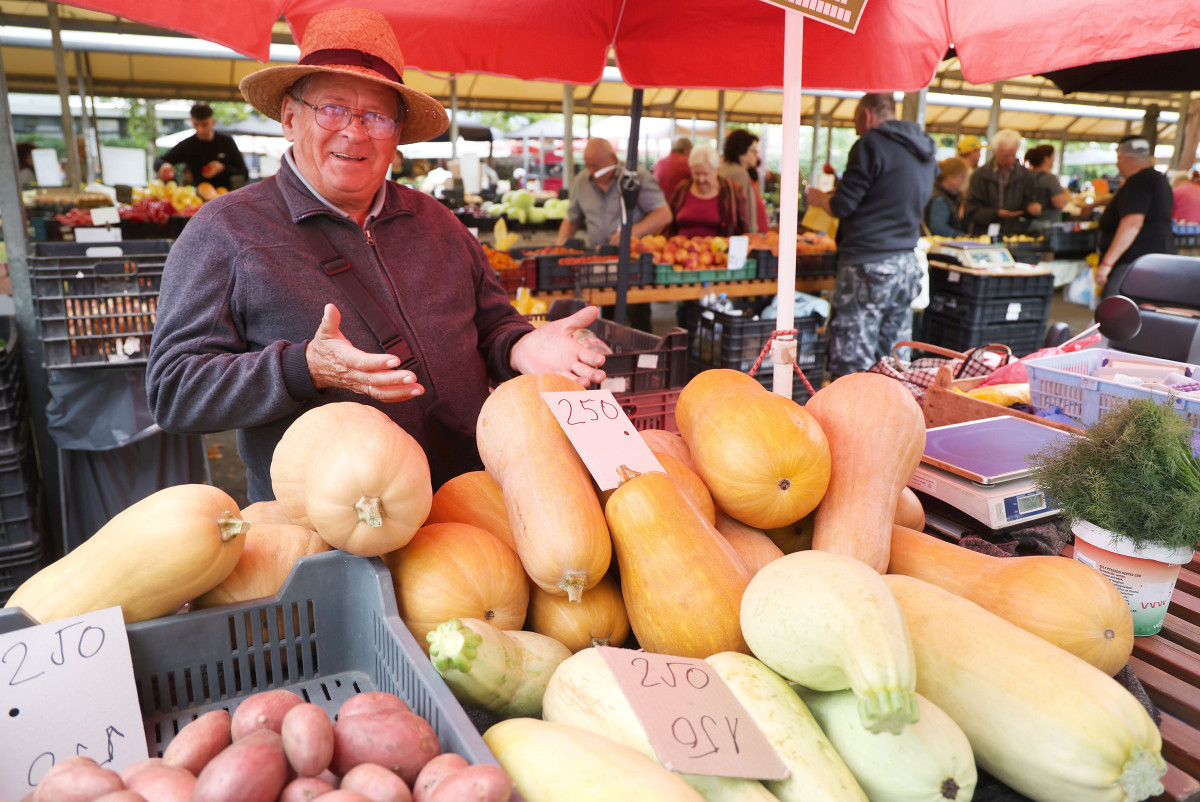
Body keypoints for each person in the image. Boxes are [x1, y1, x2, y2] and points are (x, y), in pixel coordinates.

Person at [145, 7, 606, 501]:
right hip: (333, 529)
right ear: (289, 116)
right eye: (332, 108)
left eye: (377, 117)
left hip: (470, 501)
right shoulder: (225, 231)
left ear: (397, 136)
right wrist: (306, 368)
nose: (355, 131)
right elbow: (175, 390)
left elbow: (492, 324)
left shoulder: (437, 221)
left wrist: (520, 346)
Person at [805, 92, 937, 380]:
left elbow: (843, 205)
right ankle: (897, 414)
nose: (854, 129)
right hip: (906, 261)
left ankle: (852, 421)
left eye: (855, 121)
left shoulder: (870, 145)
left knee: (853, 357)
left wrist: (819, 199)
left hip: (868, 263)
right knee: (896, 356)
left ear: (866, 115)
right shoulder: (924, 149)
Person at [556, 138, 672, 248]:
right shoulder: (581, 182)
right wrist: (559, 248)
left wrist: (629, 233)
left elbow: (663, 215)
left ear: (613, 159)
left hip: (633, 255)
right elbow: (571, 220)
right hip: (597, 256)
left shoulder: (636, 177)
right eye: (587, 166)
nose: (591, 172)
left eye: (596, 167)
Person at [1096, 136, 1173, 298]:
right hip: (1153, 261)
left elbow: (1131, 224)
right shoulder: (1157, 178)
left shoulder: (1138, 181)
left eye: (1118, 159)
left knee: (1117, 312)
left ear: (1123, 157)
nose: (1117, 164)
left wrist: (1107, 263)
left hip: (1133, 264)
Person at [962, 128, 1041, 236]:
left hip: (1015, 234)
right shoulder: (980, 175)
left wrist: (1031, 208)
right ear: (995, 152)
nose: (1010, 160)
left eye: (1013, 155)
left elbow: (1030, 200)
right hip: (984, 234)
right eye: (1006, 156)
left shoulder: (1025, 175)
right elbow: (971, 211)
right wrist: (996, 213)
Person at [154, 103, 249, 191]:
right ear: (191, 122)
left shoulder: (227, 142)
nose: (200, 130)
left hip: (226, 197)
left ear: (213, 122)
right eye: (196, 125)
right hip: (198, 199)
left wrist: (223, 168)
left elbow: (244, 173)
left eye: (204, 125)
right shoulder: (188, 145)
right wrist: (164, 165)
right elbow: (159, 161)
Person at [665, 144, 748, 237]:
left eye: (705, 174)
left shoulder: (733, 192)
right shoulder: (682, 189)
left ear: (717, 170)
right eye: (696, 173)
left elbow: (742, 229)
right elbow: (669, 224)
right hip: (681, 249)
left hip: (719, 250)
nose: (701, 179)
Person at [718, 130, 760, 234]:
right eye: (753, 150)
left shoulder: (727, 169)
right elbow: (742, 210)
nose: (756, 155)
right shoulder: (738, 173)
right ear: (742, 151)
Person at [1025, 144, 1069, 225]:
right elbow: (1059, 203)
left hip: (1026, 223)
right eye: (1053, 156)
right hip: (1045, 225)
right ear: (1046, 159)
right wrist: (1066, 192)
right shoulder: (1049, 178)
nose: (1054, 160)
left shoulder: (1026, 175)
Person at [925, 157, 968, 237]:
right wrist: (961, 236)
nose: (963, 180)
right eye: (961, 176)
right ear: (950, 176)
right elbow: (938, 228)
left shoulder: (947, 195)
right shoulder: (939, 199)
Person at [653, 137, 693, 203]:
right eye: (691, 150)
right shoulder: (688, 162)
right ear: (686, 149)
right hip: (675, 204)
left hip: (658, 203)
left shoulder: (659, 163)